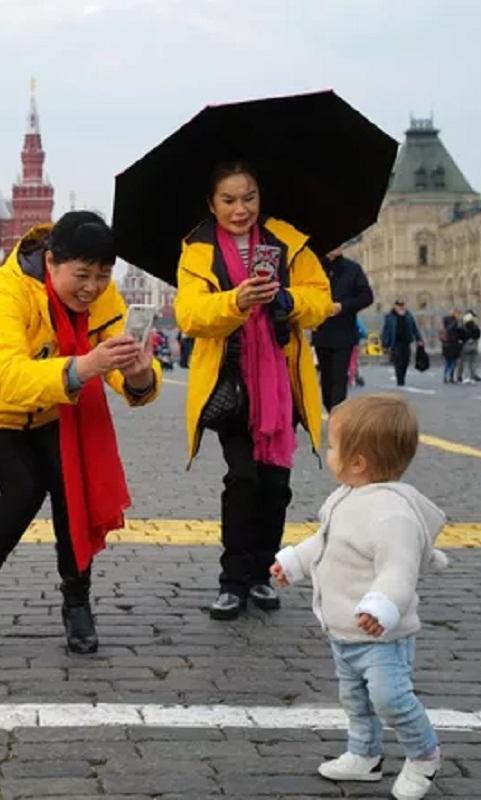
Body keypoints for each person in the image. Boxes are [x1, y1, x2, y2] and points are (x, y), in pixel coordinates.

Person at [0, 211, 161, 659]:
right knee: (22, 489)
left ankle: (77, 603)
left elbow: (114, 358)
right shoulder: (7, 292)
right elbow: (7, 376)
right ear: (51, 261)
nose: (92, 288)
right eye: (82, 275)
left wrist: (138, 375)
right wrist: (86, 365)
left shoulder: (102, 295)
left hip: (49, 405)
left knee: (70, 486)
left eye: (103, 275)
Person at [173, 161, 332, 621]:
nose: (240, 209)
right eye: (228, 200)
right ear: (212, 204)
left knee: (276, 486)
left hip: (282, 386)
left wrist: (287, 299)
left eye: (249, 198)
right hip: (231, 383)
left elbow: (320, 300)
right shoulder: (197, 251)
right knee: (243, 480)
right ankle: (233, 581)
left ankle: (263, 572)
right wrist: (235, 301)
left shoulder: (288, 242)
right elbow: (190, 315)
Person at [271, 394, 446, 800]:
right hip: (345, 632)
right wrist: (294, 562)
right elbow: (325, 542)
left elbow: (398, 571)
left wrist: (380, 606)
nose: (328, 453)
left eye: (333, 446)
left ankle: (424, 755)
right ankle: (364, 754)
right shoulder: (346, 497)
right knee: (355, 700)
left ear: (358, 462)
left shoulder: (392, 514)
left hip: (380, 635)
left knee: (390, 698)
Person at [311, 249, 373, 411]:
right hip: (321, 331)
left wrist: (343, 306)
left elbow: (367, 297)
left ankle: (336, 413)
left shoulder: (353, 269)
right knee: (326, 377)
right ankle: (330, 407)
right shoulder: (313, 266)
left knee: (339, 376)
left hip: (344, 332)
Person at [380, 300, 424, 388]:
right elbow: (386, 330)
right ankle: (400, 380)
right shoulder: (390, 317)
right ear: (395, 306)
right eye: (398, 306)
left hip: (406, 341)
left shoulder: (408, 316)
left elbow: (414, 328)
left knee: (406, 360)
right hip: (396, 342)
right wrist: (384, 343)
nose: (400, 307)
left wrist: (419, 339)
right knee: (398, 361)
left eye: (402, 305)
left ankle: (402, 376)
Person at [455, 311, 481, 384]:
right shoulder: (476, 327)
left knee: (465, 362)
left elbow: (460, 337)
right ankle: (473, 376)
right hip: (474, 345)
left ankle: (465, 377)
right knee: (473, 362)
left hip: (465, 346)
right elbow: (478, 335)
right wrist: (473, 339)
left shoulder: (463, 328)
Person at [438, 309, 464, 385]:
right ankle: (450, 376)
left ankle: (446, 376)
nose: (459, 315)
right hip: (453, 345)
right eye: (458, 314)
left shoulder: (445, 321)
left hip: (445, 345)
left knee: (448, 362)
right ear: (455, 314)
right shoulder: (455, 322)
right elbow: (458, 332)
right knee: (453, 362)